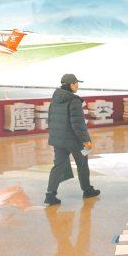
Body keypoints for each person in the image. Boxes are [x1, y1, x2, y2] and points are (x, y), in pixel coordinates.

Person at [44, 74, 99, 205]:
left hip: (59, 140)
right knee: (82, 164)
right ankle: (87, 190)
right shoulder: (74, 101)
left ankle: (50, 194)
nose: (77, 86)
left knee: (58, 166)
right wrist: (85, 140)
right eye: (76, 83)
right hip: (74, 141)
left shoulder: (55, 98)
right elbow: (78, 124)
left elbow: (51, 120)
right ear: (71, 85)